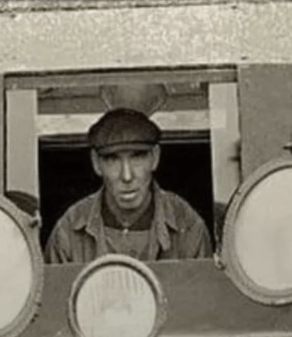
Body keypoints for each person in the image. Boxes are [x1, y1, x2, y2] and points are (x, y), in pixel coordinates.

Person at [44, 102, 213, 264]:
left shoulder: (187, 224)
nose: (127, 176)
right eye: (113, 159)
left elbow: (202, 292)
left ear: (155, 158)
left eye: (137, 157)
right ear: (96, 163)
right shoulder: (70, 228)